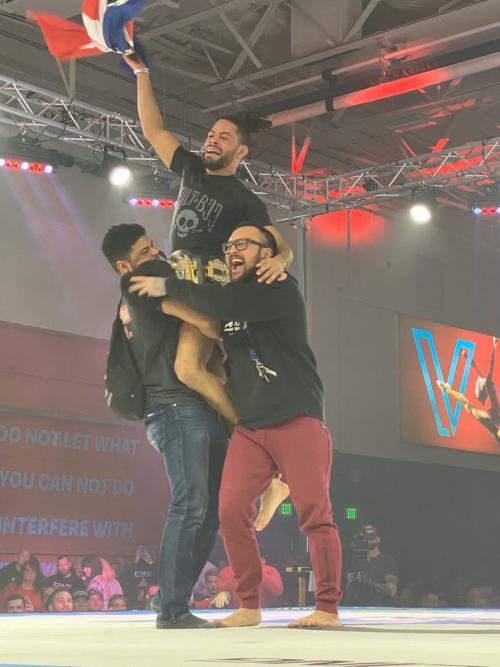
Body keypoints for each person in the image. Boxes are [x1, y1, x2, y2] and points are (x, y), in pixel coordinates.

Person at [129, 223, 343, 630]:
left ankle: (327, 607)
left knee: (315, 515)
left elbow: (222, 300)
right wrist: (161, 304)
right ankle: (249, 604)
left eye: (242, 244)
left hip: (295, 417)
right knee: (229, 511)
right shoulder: (231, 307)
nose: (231, 251)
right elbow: (213, 321)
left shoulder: (279, 288)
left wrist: (167, 287)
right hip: (250, 427)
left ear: (266, 254)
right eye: (228, 245)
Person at [124, 52, 293, 530]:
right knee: (210, 373)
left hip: (208, 282)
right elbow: (153, 128)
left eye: (223, 137)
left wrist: (280, 260)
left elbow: (280, 245)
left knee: (187, 367)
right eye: (211, 134)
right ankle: (272, 470)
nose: (212, 140)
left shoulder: (244, 199)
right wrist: (141, 72)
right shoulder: (191, 171)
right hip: (181, 274)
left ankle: (270, 460)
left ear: (241, 152)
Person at [102, 224, 227, 629]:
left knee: (208, 512)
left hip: (193, 406)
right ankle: (172, 609)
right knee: (191, 505)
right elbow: (206, 322)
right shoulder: (140, 284)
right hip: (175, 406)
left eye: (153, 245)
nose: (156, 254)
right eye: (144, 252)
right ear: (125, 266)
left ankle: (174, 599)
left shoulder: (141, 288)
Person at [438, 337, 500, 442]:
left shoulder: (487, 384)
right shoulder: (488, 384)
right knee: (469, 407)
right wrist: (493, 346)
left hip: (493, 422)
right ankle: (446, 389)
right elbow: (488, 364)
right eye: (477, 385)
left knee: (469, 407)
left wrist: (465, 355)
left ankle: (446, 389)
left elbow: (479, 365)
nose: (477, 382)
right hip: (493, 421)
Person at [344, 525, 398, 607]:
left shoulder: (387, 561)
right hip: (360, 608)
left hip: (381, 609)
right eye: (365, 536)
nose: (368, 539)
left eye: (371, 536)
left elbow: (392, 591)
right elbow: (348, 592)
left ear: (378, 539)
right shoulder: (356, 560)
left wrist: (370, 582)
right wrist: (351, 582)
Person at [121, 544, 157, 610]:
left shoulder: (154, 566)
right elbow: (125, 579)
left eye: (144, 551)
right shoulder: (131, 567)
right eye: (139, 551)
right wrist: (136, 561)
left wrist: (150, 561)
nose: (142, 553)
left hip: (151, 600)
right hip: (133, 601)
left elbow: (159, 578)